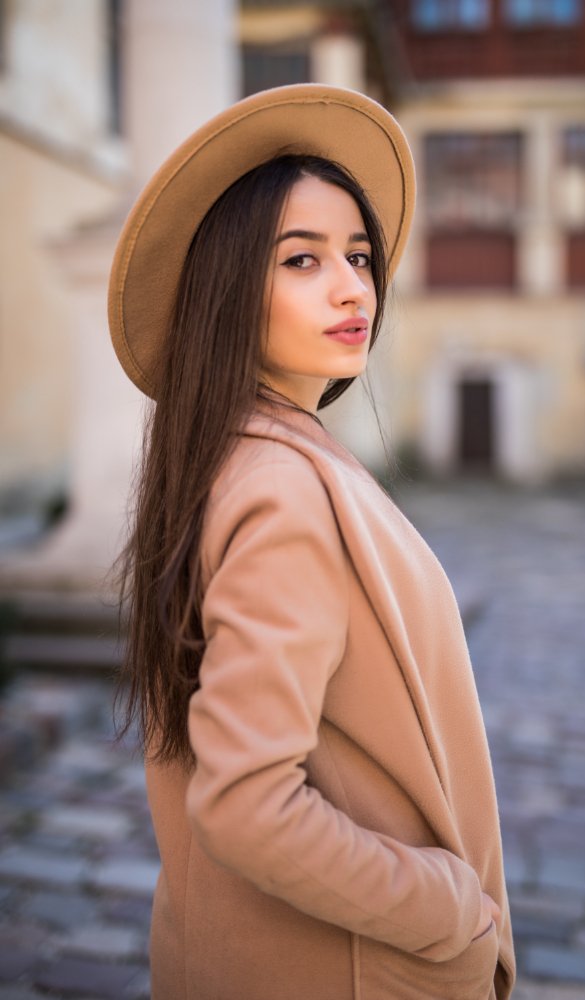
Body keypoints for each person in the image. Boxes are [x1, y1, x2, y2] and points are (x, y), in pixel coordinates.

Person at [108, 84, 515, 1000]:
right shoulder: (281, 490)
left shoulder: (242, 459)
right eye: (302, 259)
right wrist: (448, 909)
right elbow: (246, 801)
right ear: (225, 288)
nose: (351, 287)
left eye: (359, 256)